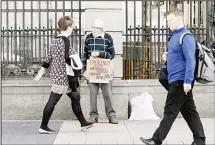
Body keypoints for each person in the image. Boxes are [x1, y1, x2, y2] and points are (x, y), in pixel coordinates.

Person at [140, 9, 206, 145]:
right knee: (190, 112)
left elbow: (190, 60)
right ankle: (200, 140)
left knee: (170, 111)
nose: (168, 23)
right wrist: (166, 56)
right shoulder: (174, 36)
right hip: (176, 80)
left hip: (180, 81)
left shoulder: (186, 36)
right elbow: (178, 56)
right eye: (167, 20)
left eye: (170, 20)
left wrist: (188, 81)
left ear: (180, 20)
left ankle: (156, 140)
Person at [33, 16, 93, 134]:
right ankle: (43, 126)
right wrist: (80, 71)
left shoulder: (55, 41)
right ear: (69, 27)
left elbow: (47, 60)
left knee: (75, 98)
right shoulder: (66, 40)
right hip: (64, 77)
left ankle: (83, 123)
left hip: (60, 76)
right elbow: (68, 58)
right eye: (72, 27)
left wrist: (40, 75)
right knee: (53, 101)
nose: (72, 29)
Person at [82, 19, 118, 124]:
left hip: (105, 72)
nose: (92, 29)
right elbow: (84, 55)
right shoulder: (88, 38)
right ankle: (93, 116)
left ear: (101, 29)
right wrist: (84, 70)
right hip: (92, 71)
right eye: (92, 27)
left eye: (94, 28)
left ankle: (111, 116)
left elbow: (112, 54)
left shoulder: (108, 37)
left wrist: (99, 53)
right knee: (93, 95)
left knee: (108, 95)